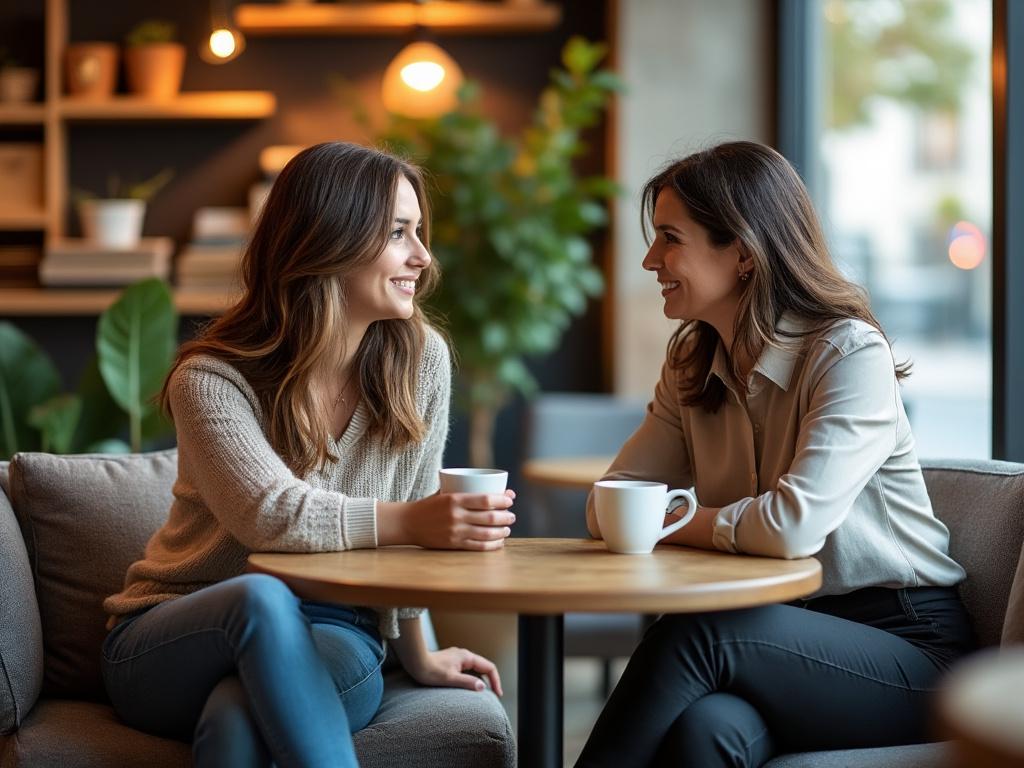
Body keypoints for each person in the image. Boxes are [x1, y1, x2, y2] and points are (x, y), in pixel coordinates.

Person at [101, 142, 517, 768]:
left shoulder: (420, 362)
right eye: (399, 233)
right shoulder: (212, 379)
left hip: (336, 630)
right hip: (178, 630)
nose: (422, 258)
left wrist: (422, 654)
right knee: (259, 597)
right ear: (331, 240)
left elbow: (405, 543)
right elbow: (269, 516)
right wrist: (414, 521)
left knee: (236, 718)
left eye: (419, 232)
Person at [575, 141, 974, 767]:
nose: (651, 259)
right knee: (706, 731)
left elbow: (792, 527)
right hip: (776, 639)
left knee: (695, 632)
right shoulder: (692, 364)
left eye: (669, 238)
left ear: (740, 252)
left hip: (906, 649)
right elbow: (608, 502)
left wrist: (667, 520)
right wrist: (672, 519)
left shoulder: (848, 355)